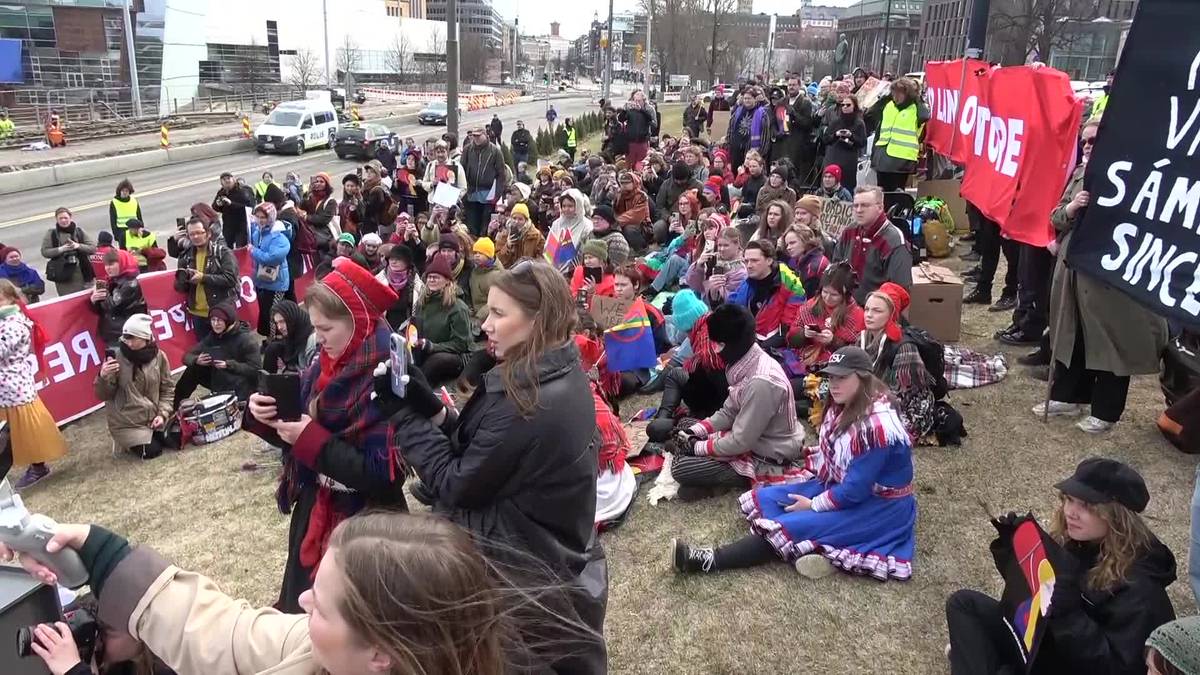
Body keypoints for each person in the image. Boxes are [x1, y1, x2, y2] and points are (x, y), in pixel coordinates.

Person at [379, 260, 608, 672]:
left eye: (500, 314)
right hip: (535, 551)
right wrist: (430, 407)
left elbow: (457, 483)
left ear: (538, 321)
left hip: (516, 569)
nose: (485, 323)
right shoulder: (548, 371)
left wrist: (402, 416)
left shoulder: (531, 400)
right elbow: (484, 452)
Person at [0, 512, 555, 675]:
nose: (304, 602)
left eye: (325, 603)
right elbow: (230, 634)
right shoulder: (320, 651)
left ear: (382, 651)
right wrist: (104, 555)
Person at [674, 344, 915, 579]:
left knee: (793, 525)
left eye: (842, 378)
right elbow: (838, 454)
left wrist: (813, 505)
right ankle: (820, 547)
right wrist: (805, 455)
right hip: (842, 486)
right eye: (831, 378)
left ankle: (709, 559)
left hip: (875, 506)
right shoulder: (845, 404)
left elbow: (855, 490)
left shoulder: (877, 426)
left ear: (863, 377)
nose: (834, 384)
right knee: (771, 498)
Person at [246, 257, 406, 611]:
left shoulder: (386, 378)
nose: (318, 339)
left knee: (351, 620)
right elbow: (299, 427)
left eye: (326, 329)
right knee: (302, 613)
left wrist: (309, 439)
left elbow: (381, 477)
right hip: (315, 508)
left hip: (365, 525)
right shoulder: (325, 363)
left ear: (358, 320)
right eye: (315, 329)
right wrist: (264, 416)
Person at [945, 457, 1177, 674]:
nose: (1070, 512)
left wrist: (1070, 615)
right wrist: (1014, 552)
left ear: (1116, 515)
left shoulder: (1141, 591)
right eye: (1068, 499)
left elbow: (1113, 667)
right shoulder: (1081, 541)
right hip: (1045, 642)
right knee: (964, 604)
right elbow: (1034, 595)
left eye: (1086, 505)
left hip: (1072, 662)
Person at [1039, 117, 1167, 434]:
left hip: (1107, 273)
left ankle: (1106, 411)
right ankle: (1068, 395)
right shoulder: (1081, 173)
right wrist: (1070, 211)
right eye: (1083, 140)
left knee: (1110, 342)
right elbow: (1056, 215)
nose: (1086, 146)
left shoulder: (1133, 176)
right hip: (1072, 270)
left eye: (1093, 141)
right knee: (1070, 333)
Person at [667, 303, 806, 497]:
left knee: (681, 467)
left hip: (767, 455)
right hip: (750, 438)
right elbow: (729, 411)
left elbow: (741, 441)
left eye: (717, 344)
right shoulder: (744, 360)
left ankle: (739, 479)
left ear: (732, 344)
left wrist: (697, 447)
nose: (714, 350)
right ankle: (707, 476)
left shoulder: (761, 383)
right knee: (686, 424)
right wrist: (694, 432)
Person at [0, 279, 66, 488]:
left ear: (11, 298)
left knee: (25, 430)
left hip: (13, 386)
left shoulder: (14, 324)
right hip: (7, 386)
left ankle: (38, 466)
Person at [859, 283, 937, 442]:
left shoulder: (904, 348)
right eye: (867, 309)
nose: (868, 315)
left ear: (891, 315)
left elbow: (904, 396)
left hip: (905, 409)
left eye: (877, 311)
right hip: (874, 398)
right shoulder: (864, 337)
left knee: (864, 431)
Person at [94, 314, 174, 460]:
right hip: (127, 422)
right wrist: (103, 377)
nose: (128, 343)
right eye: (126, 338)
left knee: (174, 440)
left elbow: (167, 388)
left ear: (145, 337)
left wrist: (162, 414)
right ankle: (129, 442)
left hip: (154, 416)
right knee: (153, 451)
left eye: (133, 338)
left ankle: (154, 432)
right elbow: (103, 395)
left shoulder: (159, 356)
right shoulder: (116, 358)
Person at [173, 301, 262, 409]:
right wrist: (196, 360)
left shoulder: (246, 340)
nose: (216, 324)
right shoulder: (213, 336)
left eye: (219, 320)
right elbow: (187, 356)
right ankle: (175, 408)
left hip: (241, 381)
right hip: (219, 379)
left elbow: (255, 370)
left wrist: (229, 365)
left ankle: (235, 404)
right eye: (213, 320)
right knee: (192, 370)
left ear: (228, 321)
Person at [835, 185, 912, 305]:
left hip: (875, 313)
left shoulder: (894, 240)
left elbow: (900, 290)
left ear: (880, 208)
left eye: (865, 205)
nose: (859, 210)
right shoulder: (849, 231)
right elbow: (836, 268)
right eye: (855, 205)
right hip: (845, 307)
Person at [725, 239, 806, 349]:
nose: (749, 265)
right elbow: (731, 311)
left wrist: (757, 349)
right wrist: (714, 294)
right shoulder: (747, 283)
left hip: (776, 349)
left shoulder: (792, 287)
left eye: (754, 260)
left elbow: (787, 330)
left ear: (769, 260)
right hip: (748, 340)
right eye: (746, 261)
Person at [170, 216, 239, 340]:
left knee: (227, 350)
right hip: (197, 314)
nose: (195, 237)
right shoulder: (185, 256)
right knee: (206, 352)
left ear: (208, 233)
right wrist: (182, 281)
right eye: (192, 234)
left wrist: (203, 278)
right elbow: (180, 288)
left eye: (199, 233)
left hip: (220, 311)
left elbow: (231, 279)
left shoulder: (222, 252)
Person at [786, 262, 863, 371]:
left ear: (845, 295)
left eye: (834, 295)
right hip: (803, 362)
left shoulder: (856, 314)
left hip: (837, 369)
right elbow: (791, 339)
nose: (827, 297)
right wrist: (804, 334)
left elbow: (857, 352)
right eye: (825, 292)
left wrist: (833, 341)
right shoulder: (809, 307)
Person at [413, 254, 473, 388]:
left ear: (447, 281)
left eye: (436, 277)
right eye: (429, 277)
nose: (432, 280)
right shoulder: (422, 303)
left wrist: (433, 347)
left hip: (453, 355)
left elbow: (462, 344)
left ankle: (420, 390)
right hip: (425, 348)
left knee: (436, 361)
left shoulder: (458, 307)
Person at [869, 77, 930, 209]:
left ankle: (896, 217)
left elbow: (925, 116)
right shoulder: (889, 105)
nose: (895, 96)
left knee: (896, 193)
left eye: (899, 92)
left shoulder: (915, 108)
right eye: (894, 92)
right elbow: (870, 113)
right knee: (882, 192)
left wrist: (917, 99)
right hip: (883, 155)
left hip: (902, 158)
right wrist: (885, 97)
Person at [249, 202, 292, 337]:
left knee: (274, 314)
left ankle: (275, 341)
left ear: (271, 218)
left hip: (276, 283)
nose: (260, 220)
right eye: (258, 217)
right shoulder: (257, 233)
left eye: (263, 217)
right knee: (265, 313)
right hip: (262, 281)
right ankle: (270, 340)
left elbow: (272, 258)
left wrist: (253, 251)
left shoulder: (279, 237)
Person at [89, 250, 147, 349]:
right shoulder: (110, 281)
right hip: (112, 333)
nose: (108, 268)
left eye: (111, 264)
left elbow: (113, 306)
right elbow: (102, 310)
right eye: (106, 265)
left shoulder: (130, 283)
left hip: (126, 335)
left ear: (123, 263)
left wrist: (103, 292)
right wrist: (94, 300)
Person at [462, 126, 509, 238]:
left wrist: (496, 195)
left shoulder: (495, 151)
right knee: (472, 226)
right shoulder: (467, 150)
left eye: (478, 135)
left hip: (488, 195)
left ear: (485, 135)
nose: (476, 138)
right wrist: (463, 193)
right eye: (474, 136)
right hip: (471, 194)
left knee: (485, 226)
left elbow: (501, 175)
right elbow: (462, 170)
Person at [41, 207, 96, 296]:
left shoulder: (79, 231)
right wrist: (61, 249)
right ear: (56, 219)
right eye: (60, 218)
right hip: (63, 276)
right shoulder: (52, 234)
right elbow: (45, 252)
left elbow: (93, 248)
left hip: (83, 273)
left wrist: (77, 246)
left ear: (70, 218)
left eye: (65, 218)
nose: (63, 220)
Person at [686, 225, 747, 305]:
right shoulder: (713, 259)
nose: (721, 249)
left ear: (737, 245)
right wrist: (698, 265)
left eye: (726, 245)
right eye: (719, 245)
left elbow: (733, 301)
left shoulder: (740, 270)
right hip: (703, 303)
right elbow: (695, 285)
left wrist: (714, 287)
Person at [821, 96, 868, 193]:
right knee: (829, 185)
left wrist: (851, 136)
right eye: (843, 105)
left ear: (854, 106)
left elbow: (862, 142)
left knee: (847, 186)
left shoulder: (859, 123)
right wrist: (836, 134)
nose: (845, 107)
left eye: (848, 105)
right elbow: (825, 139)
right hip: (834, 157)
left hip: (849, 160)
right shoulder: (835, 121)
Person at [262, 299, 317, 375]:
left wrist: (287, 370)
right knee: (272, 349)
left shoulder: (311, 340)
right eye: (277, 323)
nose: (279, 327)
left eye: (282, 321)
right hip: (295, 364)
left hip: (304, 378)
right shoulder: (292, 331)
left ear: (292, 318)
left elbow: (310, 375)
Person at [376, 244, 425, 330]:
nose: (393, 262)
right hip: (382, 330)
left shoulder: (417, 285)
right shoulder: (378, 281)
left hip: (408, 331)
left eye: (398, 259)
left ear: (407, 263)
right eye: (391, 258)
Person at [545, 189, 593, 275]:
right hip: (553, 273)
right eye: (564, 206)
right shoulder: (557, 223)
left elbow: (584, 254)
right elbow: (548, 249)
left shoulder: (587, 226)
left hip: (575, 274)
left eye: (570, 206)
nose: (566, 209)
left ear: (578, 206)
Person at [783, 222, 831, 299]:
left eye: (792, 243)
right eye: (787, 245)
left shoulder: (814, 266)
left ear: (805, 241)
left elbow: (806, 297)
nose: (788, 248)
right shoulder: (796, 260)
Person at [728, 87, 769, 171]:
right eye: (745, 98)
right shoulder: (738, 111)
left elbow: (765, 136)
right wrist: (729, 142)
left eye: (749, 98)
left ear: (755, 99)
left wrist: (760, 154)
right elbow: (730, 128)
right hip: (736, 150)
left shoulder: (762, 114)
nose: (747, 101)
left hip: (752, 152)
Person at [468, 238, 503, 335]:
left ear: (489, 255)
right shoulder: (475, 271)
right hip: (475, 313)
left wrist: (479, 317)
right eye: (475, 253)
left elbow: (497, 301)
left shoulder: (496, 275)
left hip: (488, 318)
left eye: (481, 253)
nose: (477, 256)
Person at [496, 203, 545, 269]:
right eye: (514, 218)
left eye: (520, 219)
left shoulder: (536, 235)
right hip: (509, 273)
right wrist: (507, 246)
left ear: (526, 220)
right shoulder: (504, 234)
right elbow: (498, 261)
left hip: (528, 273)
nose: (516, 221)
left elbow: (542, 258)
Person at [212, 172, 253, 248]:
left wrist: (231, 203)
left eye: (228, 178)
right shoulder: (221, 193)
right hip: (228, 225)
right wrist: (218, 205)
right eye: (224, 179)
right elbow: (214, 207)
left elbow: (248, 207)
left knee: (240, 247)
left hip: (241, 224)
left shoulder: (241, 191)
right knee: (227, 246)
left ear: (233, 180)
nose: (227, 181)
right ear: (221, 183)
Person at [620, 89, 657, 170]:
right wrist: (624, 110)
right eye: (635, 100)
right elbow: (621, 119)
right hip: (630, 142)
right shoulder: (630, 109)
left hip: (642, 141)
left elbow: (653, 122)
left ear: (644, 100)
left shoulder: (649, 109)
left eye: (639, 101)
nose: (637, 103)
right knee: (629, 166)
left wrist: (641, 110)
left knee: (640, 166)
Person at [614, 171, 652, 250]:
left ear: (634, 182)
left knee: (629, 229)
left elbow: (636, 216)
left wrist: (617, 221)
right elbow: (615, 210)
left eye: (627, 183)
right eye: (622, 183)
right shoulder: (620, 194)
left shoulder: (641, 196)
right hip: (623, 222)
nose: (624, 185)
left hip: (643, 226)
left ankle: (642, 248)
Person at [359, 161, 393, 237]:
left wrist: (359, 198)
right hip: (370, 223)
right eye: (367, 171)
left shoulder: (377, 190)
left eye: (372, 172)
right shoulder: (367, 184)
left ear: (377, 174)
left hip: (373, 224)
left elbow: (368, 210)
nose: (368, 174)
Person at [108, 179, 142, 250]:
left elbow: (139, 216)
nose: (125, 193)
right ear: (119, 191)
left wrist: (141, 227)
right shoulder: (114, 202)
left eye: (127, 191)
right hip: (121, 231)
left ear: (129, 192)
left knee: (135, 251)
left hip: (134, 230)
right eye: (123, 191)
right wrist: (116, 234)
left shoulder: (134, 201)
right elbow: (113, 220)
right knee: (124, 253)